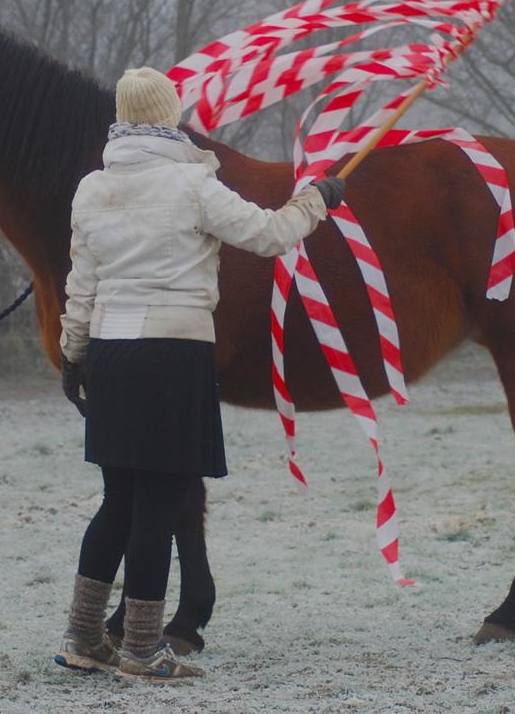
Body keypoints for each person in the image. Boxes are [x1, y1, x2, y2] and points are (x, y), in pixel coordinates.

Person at [53, 66, 344, 682]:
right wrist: (316, 200)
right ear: (168, 117)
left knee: (118, 502)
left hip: (111, 351)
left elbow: (81, 285)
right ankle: (139, 649)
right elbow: (267, 235)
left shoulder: (90, 190)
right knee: (160, 503)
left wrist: (73, 354)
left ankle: (83, 637)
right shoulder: (192, 184)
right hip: (172, 355)